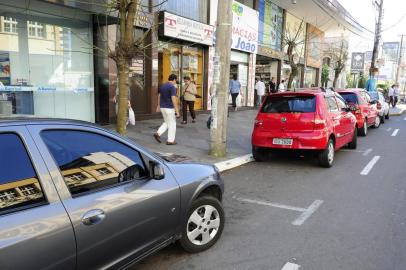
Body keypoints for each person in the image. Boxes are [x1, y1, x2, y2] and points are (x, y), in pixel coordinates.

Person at [153, 74, 180, 145]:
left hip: (162, 107)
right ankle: (170, 141)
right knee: (172, 124)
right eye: (175, 80)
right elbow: (173, 99)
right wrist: (177, 111)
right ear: (174, 79)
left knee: (167, 122)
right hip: (169, 108)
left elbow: (159, 96)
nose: (175, 82)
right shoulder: (172, 87)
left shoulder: (163, 86)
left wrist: (158, 106)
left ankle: (158, 133)